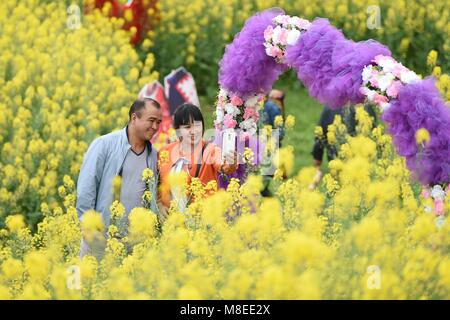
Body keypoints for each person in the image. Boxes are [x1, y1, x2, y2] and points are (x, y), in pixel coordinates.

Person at [76, 98, 162, 259]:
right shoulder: (104, 144)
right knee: (89, 283)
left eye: (159, 122)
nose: (155, 127)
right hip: (100, 239)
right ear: (134, 118)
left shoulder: (153, 155)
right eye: (151, 121)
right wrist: (89, 229)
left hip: (136, 244)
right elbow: (86, 189)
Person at [157, 103, 238, 219]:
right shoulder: (165, 151)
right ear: (178, 130)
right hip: (171, 222)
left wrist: (231, 162)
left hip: (201, 222)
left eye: (197, 125)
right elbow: (157, 182)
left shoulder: (210, 150)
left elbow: (224, 165)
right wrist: (159, 204)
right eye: (187, 127)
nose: (193, 131)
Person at [309, 104, 377, 189]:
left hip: (336, 170)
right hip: (361, 171)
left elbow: (319, 139)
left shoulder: (329, 106)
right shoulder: (366, 107)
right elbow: (375, 137)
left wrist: (317, 167)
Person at [259, 89, 285, 197]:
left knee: (266, 175)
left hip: (269, 147)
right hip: (254, 147)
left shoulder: (272, 108)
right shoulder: (250, 107)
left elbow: (281, 132)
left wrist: (269, 141)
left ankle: (263, 190)